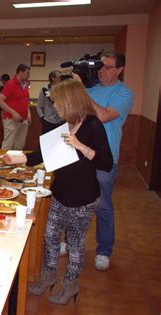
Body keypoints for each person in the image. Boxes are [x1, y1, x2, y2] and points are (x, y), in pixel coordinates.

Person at [3, 79, 113, 304]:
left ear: (70, 102)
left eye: (58, 103)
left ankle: (71, 284)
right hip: (60, 193)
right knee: (50, 236)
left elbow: (106, 163)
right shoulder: (64, 126)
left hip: (83, 198)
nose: (55, 107)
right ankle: (48, 276)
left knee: (74, 243)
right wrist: (16, 159)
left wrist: (81, 146)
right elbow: (40, 155)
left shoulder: (92, 125)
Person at [84, 51, 134, 271]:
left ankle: (104, 250)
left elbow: (104, 116)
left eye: (108, 67)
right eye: (100, 67)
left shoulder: (124, 93)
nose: (101, 71)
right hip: (82, 155)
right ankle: (71, 240)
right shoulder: (90, 89)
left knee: (102, 206)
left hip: (106, 158)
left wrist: (82, 94)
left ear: (120, 70)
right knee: (75, 202)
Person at [0, 64, 31, 150]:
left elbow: (25, 101)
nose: (28, 75)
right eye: (27, 73)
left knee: (19, 145)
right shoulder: (10, 84)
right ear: (20, 72)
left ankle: (16, 163)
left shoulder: (26, 84)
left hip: (24, 119)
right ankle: (4, 163)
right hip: (11, 119)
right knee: (8, 145)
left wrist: (29, 113)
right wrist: (13, 112)